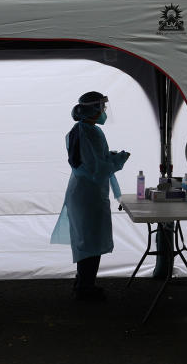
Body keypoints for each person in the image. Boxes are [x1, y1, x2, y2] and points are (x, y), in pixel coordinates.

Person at [50, 91, 130, 301]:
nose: (104, 112)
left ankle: (83, 282)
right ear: (93, 109)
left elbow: (91, 159)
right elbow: (96, 168)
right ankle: (86, 288)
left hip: (85, 192)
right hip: (89, 194)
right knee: (91, 243)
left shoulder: (82, 129)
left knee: (86, 241)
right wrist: (118, 161)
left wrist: (109, 157)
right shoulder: (89, 132)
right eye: (102, 107)